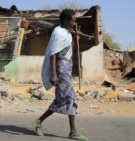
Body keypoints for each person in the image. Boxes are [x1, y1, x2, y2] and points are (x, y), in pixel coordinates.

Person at [32, 9, 88, 141]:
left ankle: (38, 122)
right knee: (70, 97)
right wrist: (54, 74)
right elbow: (54, 54)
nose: (74, 24)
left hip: (66, 66)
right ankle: (73, 131)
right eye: (73, 21)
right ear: (65, 20)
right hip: (61, 67)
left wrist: (75, 36)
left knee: (61, 100)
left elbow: (66, 49)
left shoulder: (66, 33)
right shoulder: (58, 32)